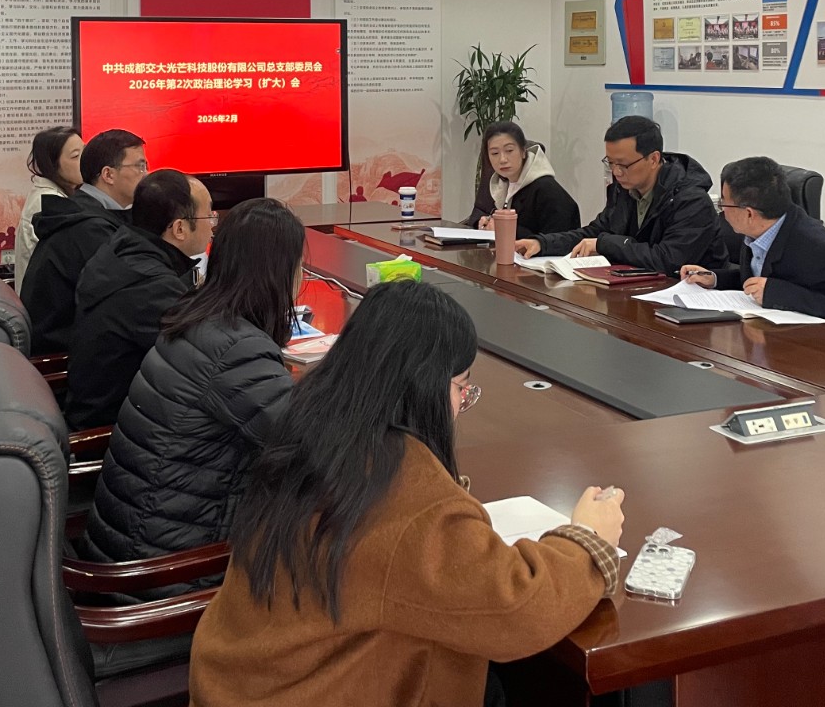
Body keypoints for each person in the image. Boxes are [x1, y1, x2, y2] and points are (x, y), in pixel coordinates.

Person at [188, 281, 624, 707]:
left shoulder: (313, 433)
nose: (461, 405)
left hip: (239, 683)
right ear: (426, 387)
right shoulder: (398, 488)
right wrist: (587, 540)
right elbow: (519, 611)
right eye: (460, 387)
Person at [79, 197, 301, 582]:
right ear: (278, 272)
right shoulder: (235, 349)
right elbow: (313, 444)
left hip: (132, 543)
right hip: (166, 574)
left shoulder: (196, 316)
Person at [65, 169, 215, 430]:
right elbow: (206, 358)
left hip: (112, 410)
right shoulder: (151, 287)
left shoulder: (121, 249)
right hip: (113, 430)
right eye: (209, 215)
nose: (213, 224)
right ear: (179, 228)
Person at [680, 156, 825, 328]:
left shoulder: (815, 246)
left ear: (749, 214)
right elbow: (757, 279)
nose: (722, 210)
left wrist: (777, 293)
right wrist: (714, 279)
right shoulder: (759, 231)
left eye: (724, 203)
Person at [513, 115, 722, 273]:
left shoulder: (691, 200)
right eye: (610, 163)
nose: (616, 172)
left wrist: (605, 244)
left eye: (623, 164)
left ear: (653, 159)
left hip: (693, 301)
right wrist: (543, 244)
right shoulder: (623, 188)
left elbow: (668, 259)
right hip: (638, 291)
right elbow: (595, 232)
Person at [19, 128, 144, 356]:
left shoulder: (83, 209)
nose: (145, 175)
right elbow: (126, 301)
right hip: (61, 351)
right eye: (139, 166)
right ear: (108, 175)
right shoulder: (89, 228)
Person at [462, 122, 580, 240]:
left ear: (523, 151)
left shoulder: (546, 190)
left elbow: (556, 241)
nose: (502, 159)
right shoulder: (500, 184)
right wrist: (483, 222)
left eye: (509, 150)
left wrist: (504, 228)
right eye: (495, 153)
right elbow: (479, 212)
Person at [13, 126, 82, 289]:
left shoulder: (53, 194)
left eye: (85, 152)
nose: (85, 161)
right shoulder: (49, 203)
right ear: (52, 164)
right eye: (76, 156)